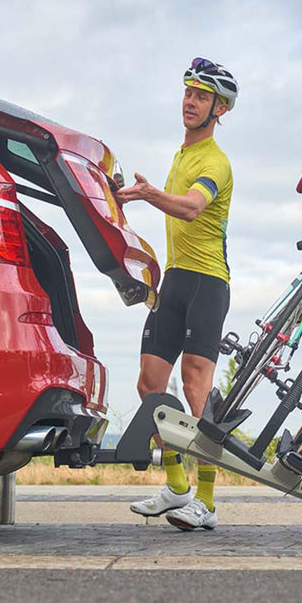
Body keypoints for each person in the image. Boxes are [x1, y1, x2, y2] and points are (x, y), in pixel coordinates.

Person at [116, 57, 237, 531]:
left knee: (196, 390)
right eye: (188, 92)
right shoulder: (181, 154)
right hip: (174, 280)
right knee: (150, 384)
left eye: (202, 96)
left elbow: (190, 208)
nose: (190, 101)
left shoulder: (215, 162)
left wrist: (148, 196)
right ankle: (177, 488)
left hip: (208, 283)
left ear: (220, 108)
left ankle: (205, 502)